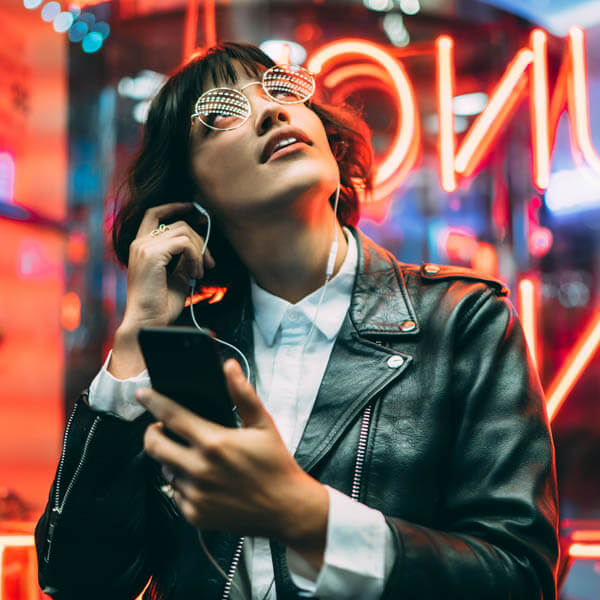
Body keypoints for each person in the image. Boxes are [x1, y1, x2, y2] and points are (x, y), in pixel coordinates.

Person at [35, 42, 559, 599]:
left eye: (282, 91)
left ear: (330, 146)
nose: (270, 110)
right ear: (190, 193)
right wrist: (137, 339)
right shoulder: (188, 351)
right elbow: (76, 580)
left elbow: (520, 578)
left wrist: (311, 518)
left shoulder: (462, 320)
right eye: (221, 114)